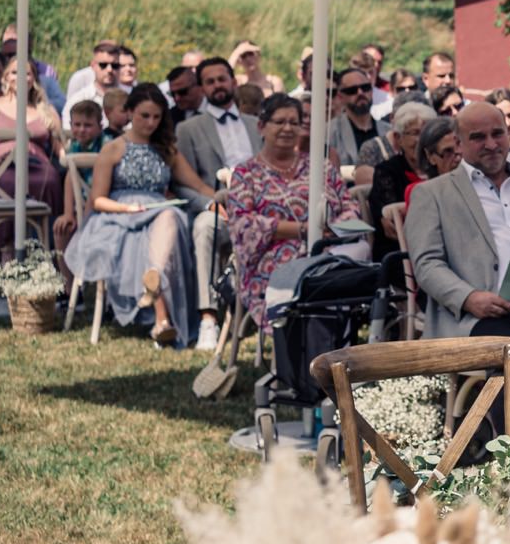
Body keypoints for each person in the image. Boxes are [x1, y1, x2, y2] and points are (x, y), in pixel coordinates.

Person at [64, 82, 211, 346]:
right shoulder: (114, 148)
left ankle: (155, 289)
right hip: (118, 216)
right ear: (130, 112)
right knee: (155, 232)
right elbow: (98, 199)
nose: (151, 123)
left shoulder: (167, 148)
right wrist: (126, 208)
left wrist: (222, 199)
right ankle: (161, 315)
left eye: (157, 117)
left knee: (171, 217)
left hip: (156, 213)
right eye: (145, 115)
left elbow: (197, 185)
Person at [224, 94, 362, 331]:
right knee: (309, 274)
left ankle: (333, 341)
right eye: (279, 122)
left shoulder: (320, 167)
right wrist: (301, 230)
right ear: (261, 126)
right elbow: (243, 223)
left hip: (326, 249)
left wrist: (331, 228)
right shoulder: (246, 173)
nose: (287, 128)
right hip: (270, 260)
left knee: (356, 257)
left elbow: (349, 207)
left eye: (294, 122)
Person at [403, 101, 510, 343]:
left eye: (497, 134)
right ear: (458, 142)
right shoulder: (433, 194)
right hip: (477, 317)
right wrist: (469, 297)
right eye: (478, 137)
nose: (491, 144)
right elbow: (427, 265)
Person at [177, 56, 258, 350]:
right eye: (209, 81)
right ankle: (208, 318)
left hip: (259, 210)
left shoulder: (256, 124)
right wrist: (207, 203)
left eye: (221, 79)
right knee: (204, 227)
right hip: (218, 208)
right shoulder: (189, 129)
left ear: (233, 82)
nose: (217, 86)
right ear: (202, 88)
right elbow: (182, 182)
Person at [0, 57, 65, 259]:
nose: (21, 77)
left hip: (37, 166)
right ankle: (5, 247)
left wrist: (70, 161)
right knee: (8, 181)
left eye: (26, 73)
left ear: (33, 79)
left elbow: (60, 147)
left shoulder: (46, 110)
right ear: (6, 77)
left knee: (52, 178)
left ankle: (44, 247)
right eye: (14, 72)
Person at [368, 101, 434, 263]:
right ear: (399, 139)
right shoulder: (387, 171)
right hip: (401, 255)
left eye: (427, 133)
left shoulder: (439, 166)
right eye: (415, 133)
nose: (422, 140)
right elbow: (395, 228)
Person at [324, 65, 391, 186]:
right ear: (340, 97)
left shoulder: (389, 131)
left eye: (365, 88)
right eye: (352, 90)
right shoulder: (328, 132)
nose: (360, 93)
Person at [1, 28, 66, 111]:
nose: (7, 59)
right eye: (3, 55)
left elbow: (61, 103)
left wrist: (37, 103)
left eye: (12, 55)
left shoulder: (46, 79)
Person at [408, 116, 460, 205]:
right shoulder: (422, 193)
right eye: (448, 151)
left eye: (461, 147)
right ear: (430, 156)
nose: (458, 158)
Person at [64, 40, 122, 111]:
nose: (109, 69)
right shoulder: (78, 100)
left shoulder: (130, 99)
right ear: (93, 65)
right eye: (103, 65)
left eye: (115, 65)